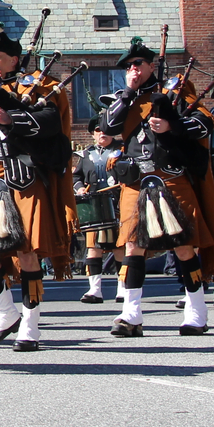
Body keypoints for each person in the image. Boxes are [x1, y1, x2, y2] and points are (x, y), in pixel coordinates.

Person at [98, 38, 214, 337]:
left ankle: (196, 311)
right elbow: (107, 128)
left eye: (138, 64)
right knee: (133, 245)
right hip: (136, 181)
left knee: (183, 246)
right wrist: (129, 91)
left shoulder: (177, 90)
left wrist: (172, 127)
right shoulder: (125, 98)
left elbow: (205, 122)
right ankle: (131, 315)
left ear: (151, 65)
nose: (133, 69)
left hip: (171, 177)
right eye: (128, 66)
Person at [0, 30, 72, 351]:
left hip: (22, 173)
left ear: (14, 59)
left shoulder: (36, 85)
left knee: (27, 252)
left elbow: (51, 120)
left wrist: (11, 116)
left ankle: (31, 327)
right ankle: (6, 313)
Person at [74, 117, 123, 304]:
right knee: (93, 247)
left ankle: (123, 289)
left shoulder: (122, 150)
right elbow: (76, 176)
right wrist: (79, 188)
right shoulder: (87, 154)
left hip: (117, 203)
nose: (102, 133)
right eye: (98, 130)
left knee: (119, 248)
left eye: (106, 129)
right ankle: (95, 290)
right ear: (93, 133)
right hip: (95, 204)